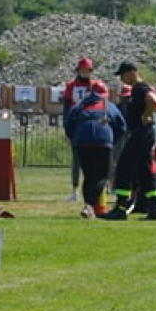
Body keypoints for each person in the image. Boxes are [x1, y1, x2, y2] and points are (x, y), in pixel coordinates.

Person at [107, 61, 156, 221]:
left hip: (141, 132)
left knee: (124, 167)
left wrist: (146, 115)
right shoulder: (136, 90)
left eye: (123, 75)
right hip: (144, 133)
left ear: (132, 72)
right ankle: (155, 207)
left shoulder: (140, 88)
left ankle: (121, 207)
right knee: (144, 171)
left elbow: (153, 101)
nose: (122, 79)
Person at [64, 82, 126, 219]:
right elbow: (121, 126)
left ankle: (88, 206)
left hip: (82, 143)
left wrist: (75, 140)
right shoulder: (109, 106)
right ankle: (90, 205)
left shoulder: (79, 106)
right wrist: (112, 140)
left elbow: (68, 123)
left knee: (89, 176)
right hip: (102, 141)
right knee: (104, 175)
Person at [63, 57, 100, 203]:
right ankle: (74, 190)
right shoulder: (71, 86)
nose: (85, 73)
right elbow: (66, 109)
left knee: (92, 159)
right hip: (77, 125)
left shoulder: (95, 86)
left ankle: (93, 189)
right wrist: (67, 128)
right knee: (76, 160)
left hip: (91, 124)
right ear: (78, 71)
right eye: (82, 70)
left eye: (87, 71)